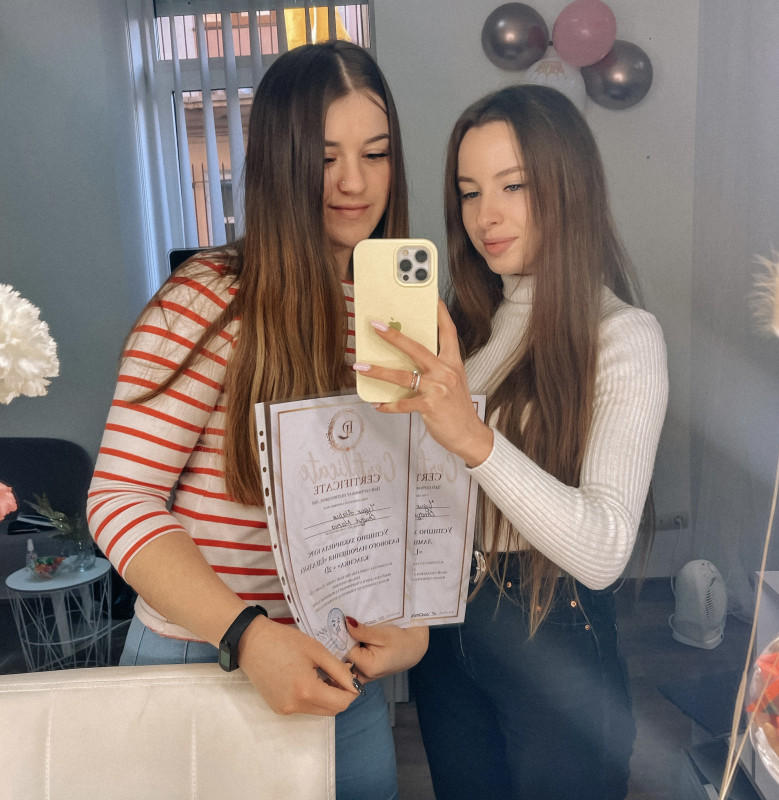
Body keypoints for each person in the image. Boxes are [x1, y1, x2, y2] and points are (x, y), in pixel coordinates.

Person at [87, 40, 427, 800]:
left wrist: (413, 623)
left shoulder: (399, 316)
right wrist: (245, 635)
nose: (353, 181)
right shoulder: (206, 299)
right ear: (278, 161)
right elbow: (119, 499)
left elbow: (402, 500)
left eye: (375, 154)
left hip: (342, 672)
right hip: (201, 657)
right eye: (324, 156)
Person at [349, 84, 669, 800]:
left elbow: (604, 550)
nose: (484, 215)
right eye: (468, 192)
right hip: (447, 622)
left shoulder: (622, 337)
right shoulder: (465, 330)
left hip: (552, 630)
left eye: (513, 186)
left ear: (569, 186)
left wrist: (473, 437)